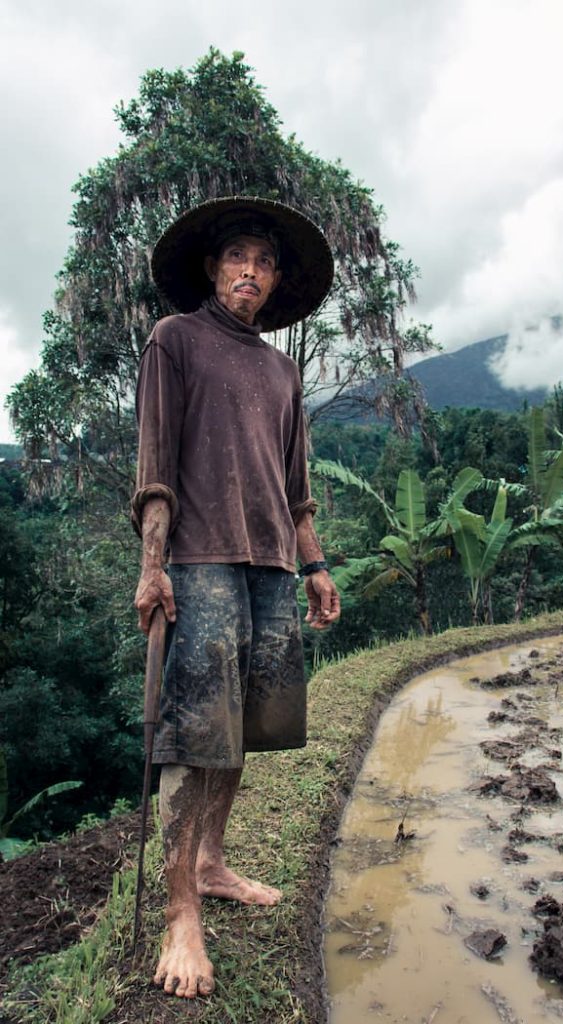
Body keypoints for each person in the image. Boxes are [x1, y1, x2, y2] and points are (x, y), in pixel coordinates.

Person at [132, 196, 341, 999]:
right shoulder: (175, 340)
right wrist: (153, 567)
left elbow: (295, 487)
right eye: (235, 258)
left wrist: (315, 566)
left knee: (245, 726)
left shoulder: (282, 371)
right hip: (200, 559)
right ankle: (180, 913)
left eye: (261, 260)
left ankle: (212, 864)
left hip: (270, 568)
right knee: (194, 735)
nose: (247, 270)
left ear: (276, 280)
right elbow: (155, 466)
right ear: (214, 270)